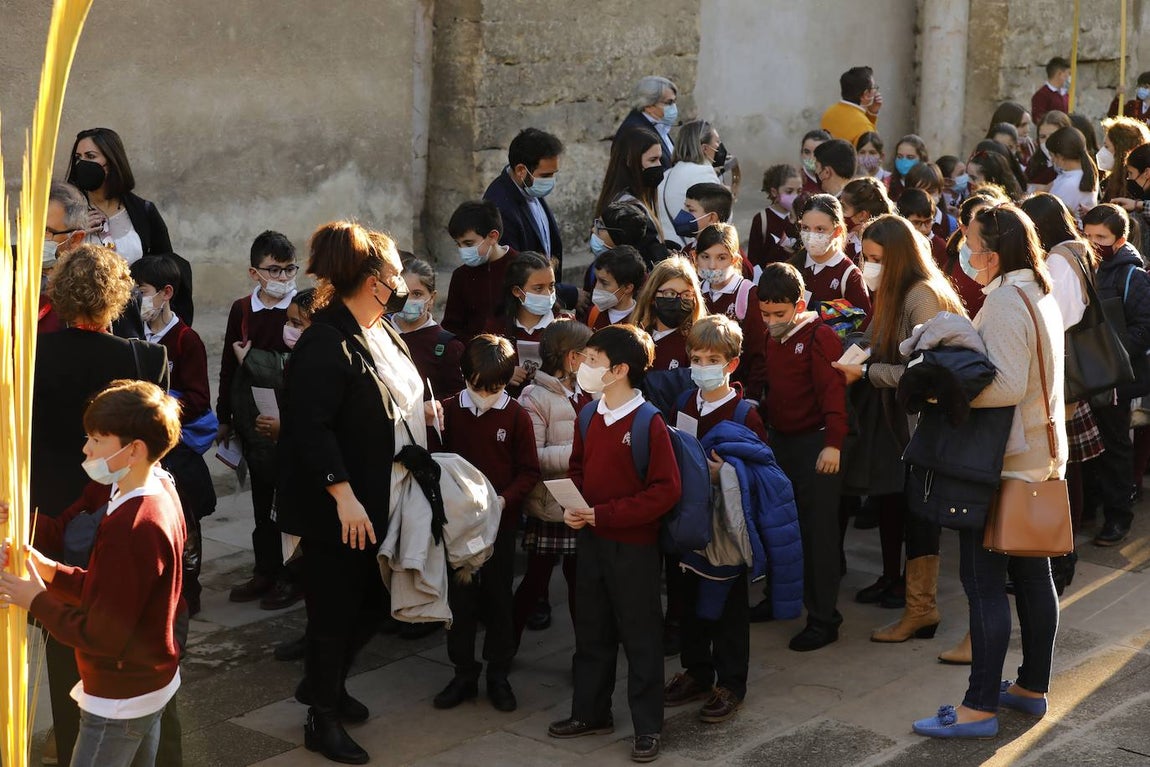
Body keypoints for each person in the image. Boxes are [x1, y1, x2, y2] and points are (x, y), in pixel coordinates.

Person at [275, 221, 431, 764]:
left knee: (371, 603)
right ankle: (321, 716)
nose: (402, 281)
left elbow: (397, 390)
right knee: (335, 611)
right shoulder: (325, 341)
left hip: (382, 492)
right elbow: (309, 429)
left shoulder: (379, 328)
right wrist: (342, 496)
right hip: (339, 507)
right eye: (394, 272)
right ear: (371, 279)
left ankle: (328, 684)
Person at [911, 204, 1065, 739]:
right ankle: (1030, 687)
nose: (964, 251)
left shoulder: (1003, 300)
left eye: (970, 242)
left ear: (993, 252)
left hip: (1007, 461)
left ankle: (979, 707)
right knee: (1032, 576)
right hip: (1042, 454)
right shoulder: (1038, 290)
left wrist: (941, 388)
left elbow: (1002, 387)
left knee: (983, 584)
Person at [28, 244, 170, 767]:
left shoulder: (31, 357)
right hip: (123, 510)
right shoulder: (145, 358)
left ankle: (74, 748)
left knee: (68, 648)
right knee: (142, 631)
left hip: (50, 514)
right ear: (118, 298)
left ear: (59, 295)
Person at [1, 380, 185, 767]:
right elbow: (113, 590)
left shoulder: (133, 525)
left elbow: (103, 632)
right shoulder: (156, 489)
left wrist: (35, 599)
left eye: (98, 439)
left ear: (133, 449)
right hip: (146, 681)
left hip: (120, 696)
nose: (86, 448)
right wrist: (51, 570)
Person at [547, 324, 682, 764]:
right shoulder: (589, 414)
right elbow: (580, 469)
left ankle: (647, 727)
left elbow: (664, 492)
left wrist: (603, 514)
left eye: (592, 360)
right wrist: (574, 504)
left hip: (634, 548)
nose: (583, 367)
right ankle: (590, 712)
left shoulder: (649, 423)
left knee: (641, 637)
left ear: (619, 369)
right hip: (592, 542)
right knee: (591, 631)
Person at [833, 216, 965, 644]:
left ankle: (920, 610)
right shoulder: (892, 292)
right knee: (908, 508)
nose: (867, 267)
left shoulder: (923, 295)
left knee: (923, 515)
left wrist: (868, 372)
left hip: (928, 423)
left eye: (876, 259)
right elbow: (873, 338)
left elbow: (930, 371)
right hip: (905, 423)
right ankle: (910, 599)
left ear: (899, 257)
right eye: (865, 258)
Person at [663, 315, 769, 722]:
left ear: (731, 364)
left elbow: (759, 472)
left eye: (711, 359)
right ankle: (696, 671)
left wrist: (722, 472)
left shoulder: (745, 414)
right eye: (696, 357)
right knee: (686, 600)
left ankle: (731, 681)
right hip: (688, 521)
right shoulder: (684, 403)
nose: (701, 366)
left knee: (727, 607)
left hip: (727, 527)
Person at [432, 335, 540, 712]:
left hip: (499, 525)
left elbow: (529, 472)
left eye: (493, 387)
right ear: (465, 377)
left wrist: (502, 500)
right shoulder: (448, 411)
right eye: (477, 386)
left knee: (498, 600)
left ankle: (498, 674)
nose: (484, 394)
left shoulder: (516, 416)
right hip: (456, 526)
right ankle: (463, 672)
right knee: (459, 603)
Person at [757, 262, 847, 651]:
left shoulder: (818, 336)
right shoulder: (772, 337)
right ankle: (779, 600)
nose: (772, 321)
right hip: (782, 443)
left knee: (818, 535)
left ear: (799, 304)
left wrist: (834, 444)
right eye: (765, 314)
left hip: (817, 445)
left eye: (780, 314)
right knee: (781, 528)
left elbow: (834, 394)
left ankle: (824, 617)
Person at [1020, 192, 1100, 593]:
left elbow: (1061, 317)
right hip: (1065, 372)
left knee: (1063, 467)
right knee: (1066, 465)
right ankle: (1062, 547)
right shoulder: (1075, 250)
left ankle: (1062, 552)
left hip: (1062, 374)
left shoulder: (1059, 260)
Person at [131, 256, 216, 616]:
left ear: (166, 293)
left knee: (185, 523)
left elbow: (198, 400)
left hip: (176, 448)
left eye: (143, 292)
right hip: (142, 449)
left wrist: (157, 402)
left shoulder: (185, 339)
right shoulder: (133, 335)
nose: (137, 299)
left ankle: (189, 589)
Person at [217, 230, 297, 605]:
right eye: (274, 271)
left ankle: (291, 576)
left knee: (290, 502)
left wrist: (252, 360)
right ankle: (264, 570)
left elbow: (297, 365)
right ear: (255, 273)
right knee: (261, 503)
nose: (282, 279)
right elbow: (228, 367)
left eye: (288, 270)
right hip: (253, 420)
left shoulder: (300, 309)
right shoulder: (242, 309)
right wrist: (224, 418)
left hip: (291, 420)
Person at [512, 320, 593, 641]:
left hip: (582, 503)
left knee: (580, 584)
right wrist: (581, 454)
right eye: (589, 355)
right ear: (572, 358)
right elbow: (534, 456)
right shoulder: (534, 397)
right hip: (550, 504)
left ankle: (585, 655)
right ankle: (505, 648)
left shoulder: (586, 392)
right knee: (535, 580)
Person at [66, 128, 193, 323]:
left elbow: (165, 267)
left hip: (136, 322)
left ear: (112, 161)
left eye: (91, 156)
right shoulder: (65, 212)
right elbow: (47, 264)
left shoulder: (143, 210)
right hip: (83, 319)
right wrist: (73, 235)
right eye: (78, 158)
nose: (83, 163)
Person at [1082, 204, 1150, 547]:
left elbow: (1144, 328)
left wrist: (1110, 352)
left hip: (1114, 378)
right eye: (1088, 235)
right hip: (1084, 374)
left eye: (1101, 237)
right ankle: (1089, 508)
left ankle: (1117, 516)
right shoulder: (1081, 267)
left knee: (1115, 447)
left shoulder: (1133, 276)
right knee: (1088, 446)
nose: (1093, 243)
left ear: (1120, 240)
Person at [695, 223, 767, 400]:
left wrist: (752, 396)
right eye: (705, 257)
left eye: (721, 258)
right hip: (701, 390)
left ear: (734, 260)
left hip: (738, 392)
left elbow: (759, 352)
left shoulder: (748, 295)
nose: (712, 265)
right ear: (695, 258)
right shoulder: (695, 292)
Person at [482, 128, 565, 267]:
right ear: (521, 170)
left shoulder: (529, 188)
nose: (551, 181)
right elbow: (512, 269)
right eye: (545, 175)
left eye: (553, 174)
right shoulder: (500, 207)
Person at [485, 251, 561, 393]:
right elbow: (482, 370)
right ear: (517, 291)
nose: (548, 294)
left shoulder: (564, 325)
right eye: (538, 288)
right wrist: (503, 374)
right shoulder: (496, 328)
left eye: (551, 286)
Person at [392, 256, 465, 399]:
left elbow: (456, 399)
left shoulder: (448, 346)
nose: (409, 300)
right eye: (403, 292)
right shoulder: (379, 331)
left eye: (417, 294)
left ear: (431, 298)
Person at [442, 200, 516, 342]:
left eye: (469, 243)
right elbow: (451, 328)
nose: (463, 250)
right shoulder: (461, 276)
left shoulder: (521, 267)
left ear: (493, 236)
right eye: (459, 244)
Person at [790, 194, 871, 315]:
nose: (811, 236)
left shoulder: (849, 276)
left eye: (820, 229)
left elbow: (862, 325)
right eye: (805, 228)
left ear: (837, 231)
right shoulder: (792, 267)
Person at [633, 255, 705, 372]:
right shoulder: (635, 337)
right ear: (652, 296)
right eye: (669, 294)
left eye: (686, 295)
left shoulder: (697, 343)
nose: (678, 300)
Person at [657, 119, 723, 248]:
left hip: (666, 248)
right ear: (705, 148)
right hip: (692, 251)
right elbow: (719, 222)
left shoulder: (666, 175)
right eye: (717, 141)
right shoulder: (704, 174)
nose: (719, 146)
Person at [596, 126, 666, 239]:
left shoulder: (631, 199)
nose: (659, 165)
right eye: (653, 160)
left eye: (660, 159)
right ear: (630, 160)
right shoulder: (628, 207)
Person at [616, 75, 678, 170]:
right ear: (649, 105)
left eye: (674, 102)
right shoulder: (636, 132)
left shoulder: (658, 124)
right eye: (668, 103)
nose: (673, 107)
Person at [748, 164, 802, 270]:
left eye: (799, 191)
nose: (795, 196)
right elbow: (753, 259)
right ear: (774, 192)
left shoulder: (803, 217)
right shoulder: (762, 219)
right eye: (789, 191)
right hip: (771, 280)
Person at [589, 244, 647, 329]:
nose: (596, 287)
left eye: (604, 283)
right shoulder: (594, 313)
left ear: (627, 288)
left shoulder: (643, 323)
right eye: (596, 280)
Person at [820, 66, 882, 145]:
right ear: (866, 94)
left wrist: (871, 113)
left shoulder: (828, 112)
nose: (876, 91)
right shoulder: (864, 126)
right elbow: (871, 150)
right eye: (874, 87)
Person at [1046, 126, 1099, 218]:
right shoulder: (1082, 173)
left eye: (1052, 155)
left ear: (1060, 157)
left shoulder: (1070, 183)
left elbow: (1052, 214)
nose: (1052, 160)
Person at [839, 176, 894, 262]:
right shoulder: (844, 241)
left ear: (862, 215)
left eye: (844, 208)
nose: (840, 212)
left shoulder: (884, 247)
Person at [675, 182, 735, 259]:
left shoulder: (730, 258)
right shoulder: (687, 251)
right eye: (685, 207)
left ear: (711, 218)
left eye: (691, 210)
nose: (684, 213)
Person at [1098, 117, 1150, 203]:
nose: (1102, 151)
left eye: (1107, 146)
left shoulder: (1134, 186)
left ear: (1121, 150)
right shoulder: (1110, 182)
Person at [905, 162, 959, 241]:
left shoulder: (950, 224)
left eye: (930, 192)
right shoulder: (899, 221)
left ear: (940, 193)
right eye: (919, 191)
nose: (925, 197)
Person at [1027, 110, 1073, 192]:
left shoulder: (1074, 166)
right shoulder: (1034, 165)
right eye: (1043, 137)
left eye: (1053, 136)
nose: (1047, 142)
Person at [887, 135, 929, 202]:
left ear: (921, 158)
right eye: (900, 157)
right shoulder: (886, 183)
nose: (904, 161)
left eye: (910, 157)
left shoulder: (929, 184)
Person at [1031, 56, 1071, 123]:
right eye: (1068, 74)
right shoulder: (1041, 95)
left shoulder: (1066, 94)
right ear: (1060, 74)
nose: (1069, 77)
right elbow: (1039, 120)